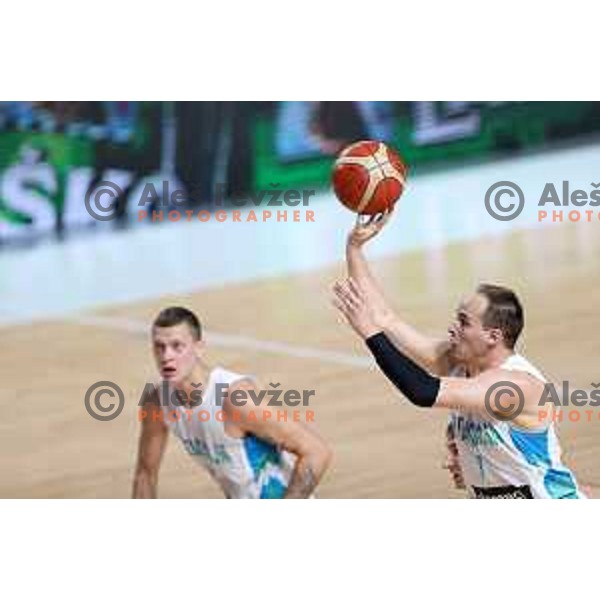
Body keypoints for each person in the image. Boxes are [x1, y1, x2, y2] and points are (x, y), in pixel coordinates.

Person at [333, 213, 584, 499]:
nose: (453, 327)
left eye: (464, 322)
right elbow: (385, 317)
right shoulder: (456, 362)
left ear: (493, 336)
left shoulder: (514, 386)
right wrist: (354, 248)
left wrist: (369, 333)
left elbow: (421, 391)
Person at [132, 306, 331, 499]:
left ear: (199, 348)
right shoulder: (157, 401)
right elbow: (145, 474)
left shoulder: (234, 398)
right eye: (159, 347)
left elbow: (317, 452)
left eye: (177, 346)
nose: (166, 356)